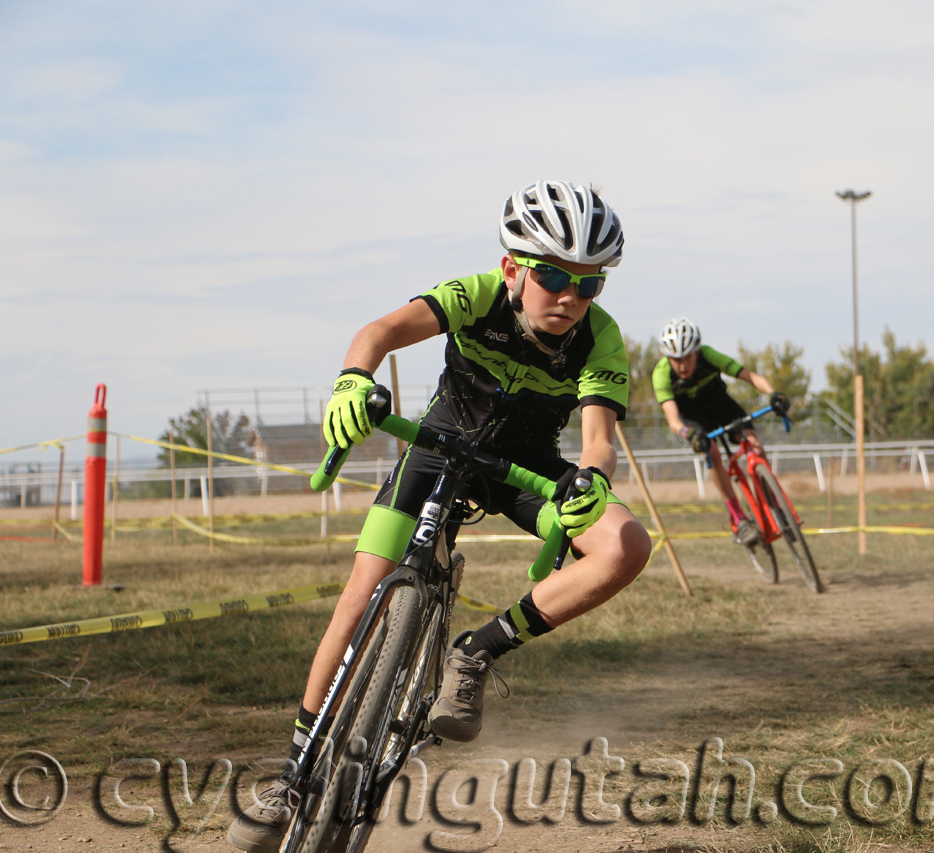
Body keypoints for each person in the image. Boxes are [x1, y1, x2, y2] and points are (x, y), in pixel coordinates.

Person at [228, 180, 652, 853]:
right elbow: (380, 332)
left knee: (626, 543)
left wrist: (593, 477)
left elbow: (598, 437)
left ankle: (477, 650)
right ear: (514, 267)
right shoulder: (476, 293)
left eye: (589, 283)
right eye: (552, 275)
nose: (570, 295)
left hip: (526, 468)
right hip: (438, 445)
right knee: (358, 596)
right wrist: (353, 379)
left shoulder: (598, 339)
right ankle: (291, 774)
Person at [652, 318, 789, 547]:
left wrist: (773, 393)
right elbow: (673, 420)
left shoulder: (708, 355)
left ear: (696, 351)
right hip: (695, 418)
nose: (683, 365)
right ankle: (738, 518)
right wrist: (689, 434)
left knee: (754, 444)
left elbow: (749, 375)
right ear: (668, 358)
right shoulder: (661, 374)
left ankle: (771, 502)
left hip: (720, 404)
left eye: (688, 357)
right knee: (712, 453)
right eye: (676, 359)